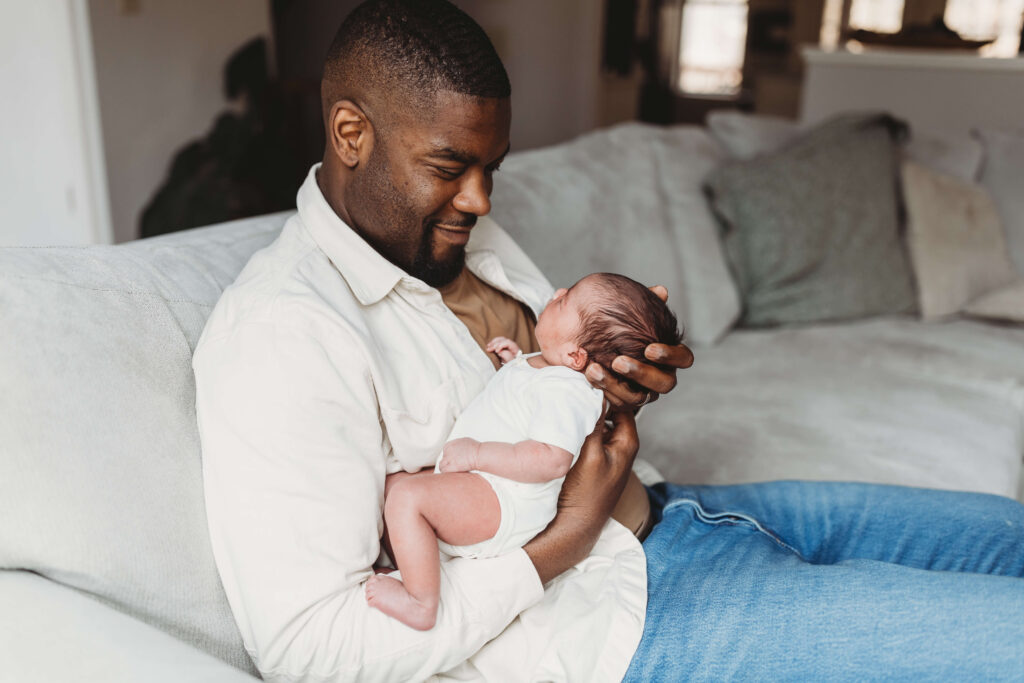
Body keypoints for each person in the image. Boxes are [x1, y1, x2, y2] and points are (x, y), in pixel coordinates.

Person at [193, 1, 1024, 680]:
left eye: (494, 167)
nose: (481, 200)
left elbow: (554, 396)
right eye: (450, 167)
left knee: (1005, 534)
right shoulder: (282, 335)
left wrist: (618, 389)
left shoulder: (456, 238)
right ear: (349, 134)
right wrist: (562, 544)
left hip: (684, 510)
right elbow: (309, 648)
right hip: (632, 624)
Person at [366, 273, 682, 631]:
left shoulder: (568, 391)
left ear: (576, 356)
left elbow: (552, 458)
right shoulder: (551, 369)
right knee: (393, 488)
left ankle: (421, 602)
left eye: (565, 301)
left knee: (407, 497)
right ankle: (412, 567)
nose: (558, 291)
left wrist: (478, 454)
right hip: (487, 487)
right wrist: (514, 363)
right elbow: (523, 407)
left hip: (505, 499)